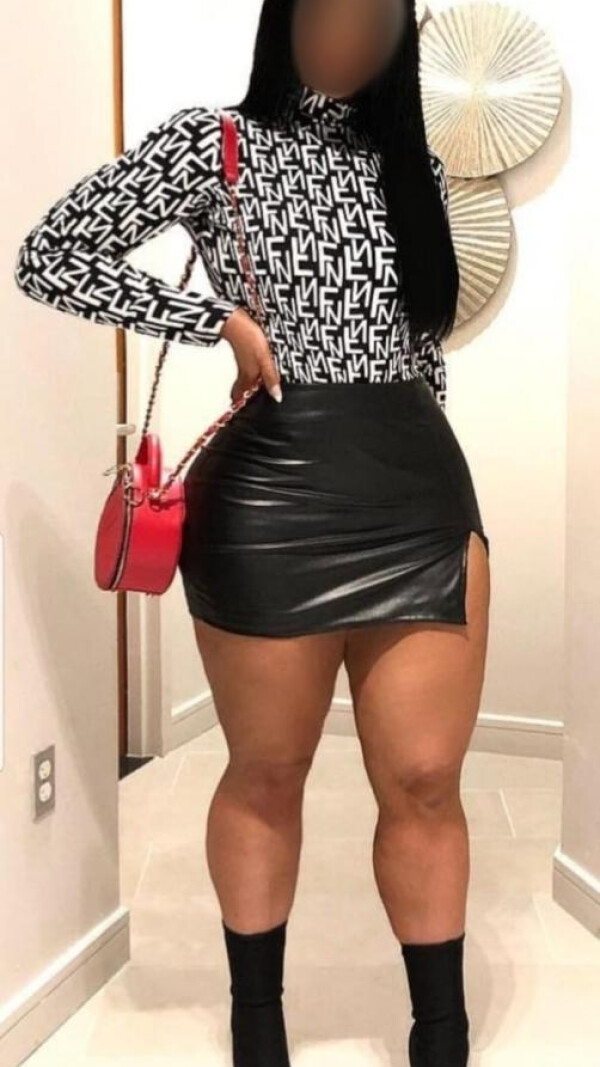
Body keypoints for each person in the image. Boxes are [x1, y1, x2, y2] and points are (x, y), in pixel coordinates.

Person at [14, 1, 491, 1064]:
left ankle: (442, 1036)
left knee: (425, 779)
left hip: (415, 494)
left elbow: (424, 351)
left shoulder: (417, 169)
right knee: (268, 771)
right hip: (271, 494)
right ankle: (258, 1026)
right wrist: (216, 320)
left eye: (375, 21)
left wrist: (427, 468)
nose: (349, 38)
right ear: (287, 19)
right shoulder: (215, 144)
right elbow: (51, 253)